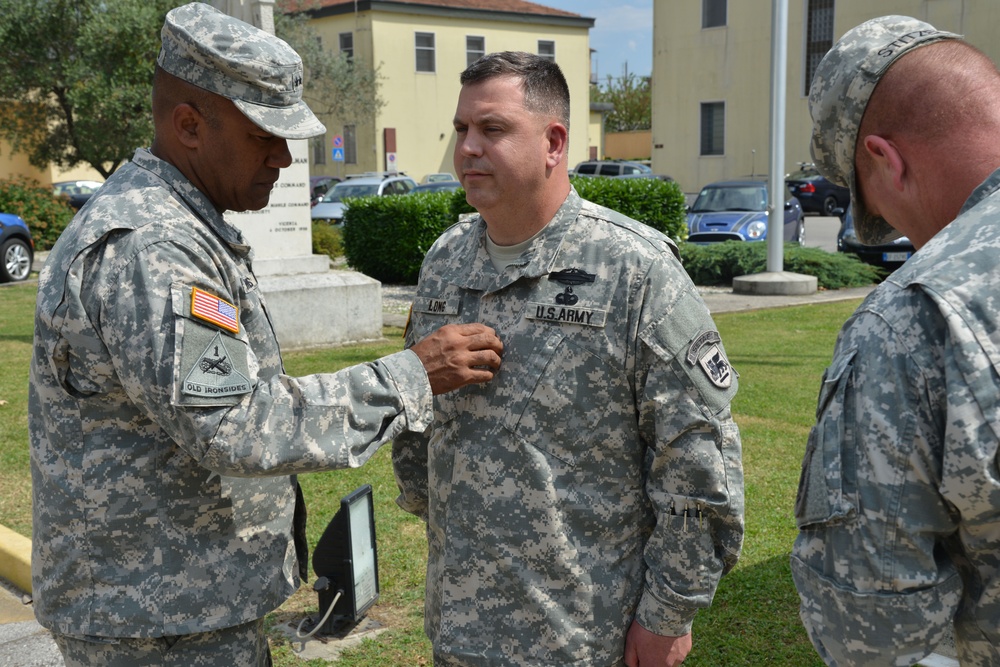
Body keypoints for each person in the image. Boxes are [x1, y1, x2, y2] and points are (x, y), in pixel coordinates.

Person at [28, 3, 502, 666]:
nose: (284, 155)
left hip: (169, 607)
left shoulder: (177, 221)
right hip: (155, 622)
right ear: (188, 125)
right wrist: (412, 376)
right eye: (263, 135)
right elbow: (234, 425)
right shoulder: (155, 246)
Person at [392, 51, 744, 667]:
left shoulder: (634, 271)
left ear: (554, 142)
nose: (468, 148)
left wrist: (668, 612)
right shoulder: (446, 260)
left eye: (493, 129)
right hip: (460, 620)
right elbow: (420, 414)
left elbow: (697, 457)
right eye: (461, 130)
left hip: (583, 632)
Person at [792, 15, 1000, 666]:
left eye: (882, 214)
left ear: (886, 160)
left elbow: (876, 633)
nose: (906, 238)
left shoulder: (916, 319)